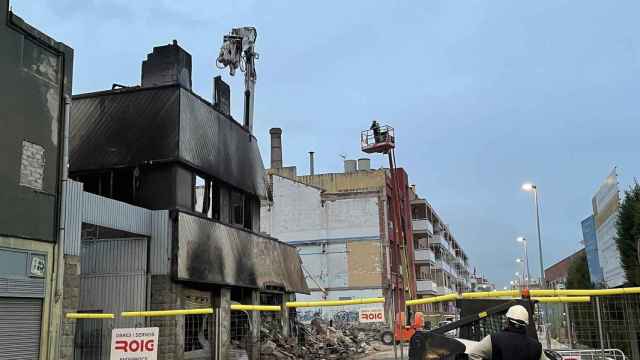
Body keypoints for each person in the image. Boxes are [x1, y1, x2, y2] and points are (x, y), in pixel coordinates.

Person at [468, 305, 545, 360]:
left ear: (508, 321)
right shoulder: (536, 346)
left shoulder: (493, 339)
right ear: (525, 324)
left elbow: (473, 354)